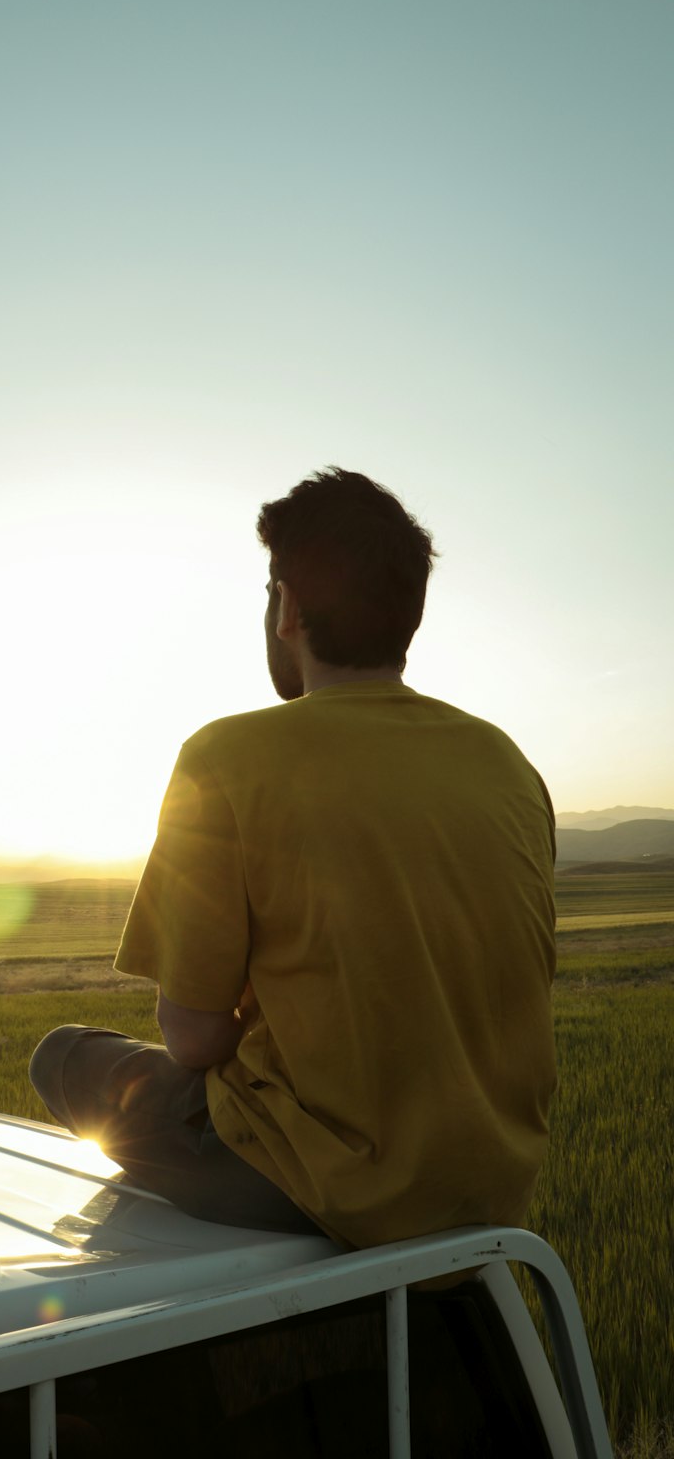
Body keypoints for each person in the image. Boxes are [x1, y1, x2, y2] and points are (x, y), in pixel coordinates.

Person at [30, 468, 557, 1248]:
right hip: (490, 1184)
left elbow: (195, 1042)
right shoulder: (508, 764)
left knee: (65, 1056)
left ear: (290, 608)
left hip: (316, 1182)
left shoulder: (226, 756)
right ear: (405, 616)